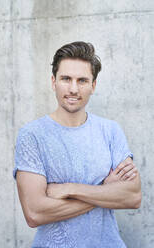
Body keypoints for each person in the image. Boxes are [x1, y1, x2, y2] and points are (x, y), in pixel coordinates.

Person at [13, 41, 141, 248]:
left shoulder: (110, 131)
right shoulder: (32, 135)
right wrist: (104, 190)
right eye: (66, 79)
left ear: (93, 85)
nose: (73, 89)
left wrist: (69, 188)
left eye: (82, 80)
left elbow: (132, 196)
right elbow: (35, 213)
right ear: (53, 82)